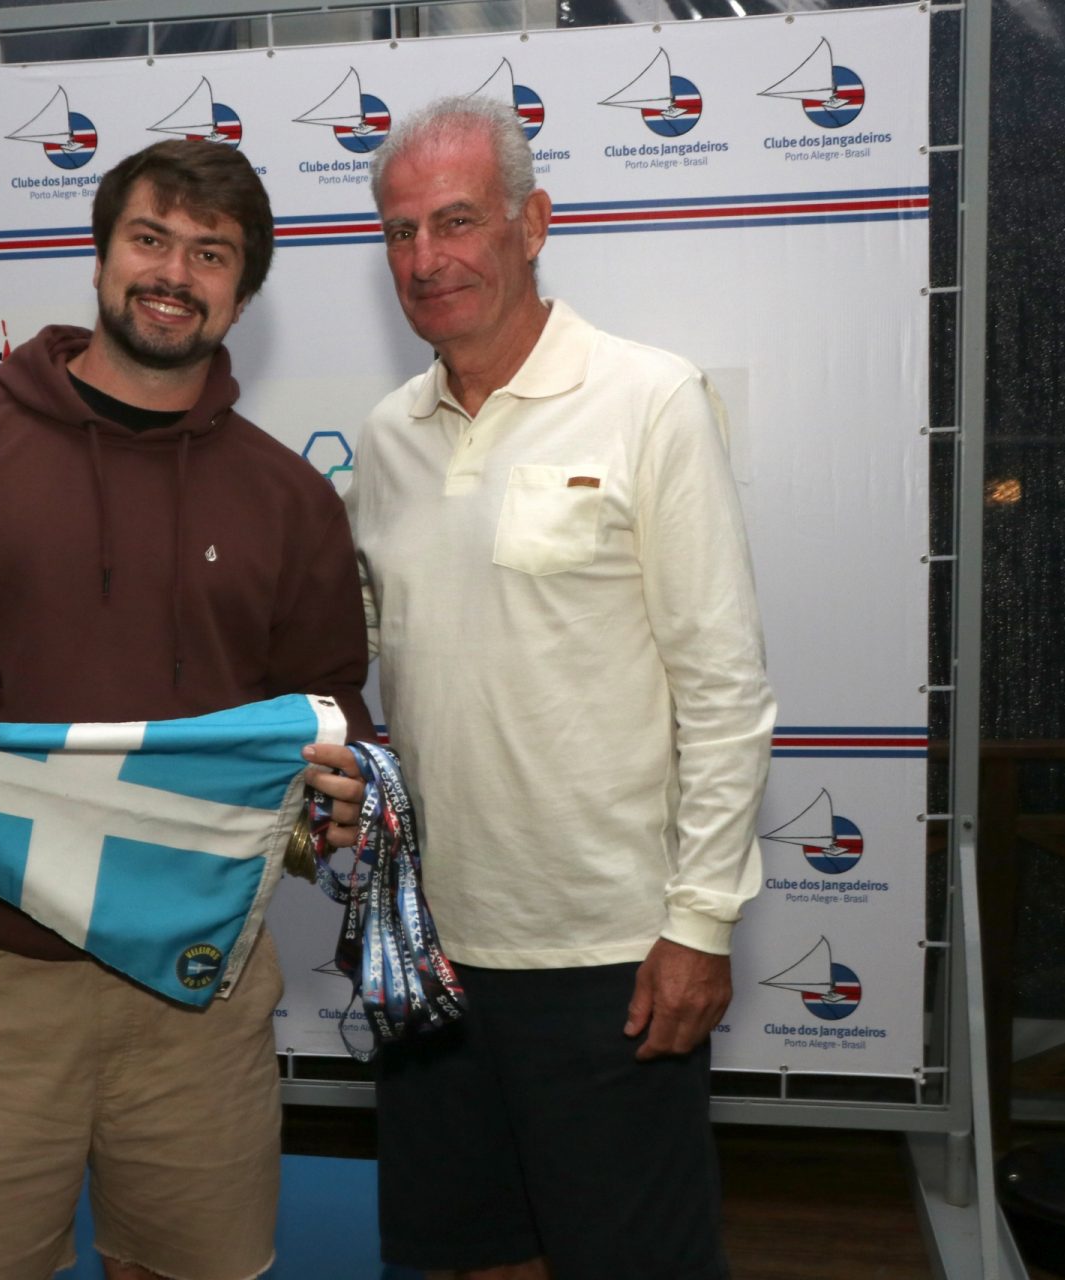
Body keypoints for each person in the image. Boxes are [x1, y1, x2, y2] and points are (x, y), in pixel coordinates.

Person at [0, 139, 371, 1280]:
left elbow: (326, 701)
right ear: (101, 256)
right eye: (150, 239)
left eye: (211, 254)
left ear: (243, 293)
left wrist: (327, 801)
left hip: (199, 983)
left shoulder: (290, 497)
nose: (174, 273)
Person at [307, 96, 777, 1279]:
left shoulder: (650, 397)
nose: (427, 257)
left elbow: (723, 686)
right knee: (470, 1256)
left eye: (457, 220)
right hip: (430, 945)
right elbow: (356, 658)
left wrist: (699, 924)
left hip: (609, 952)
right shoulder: (388, 434)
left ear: (534, 224)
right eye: (401, 230)